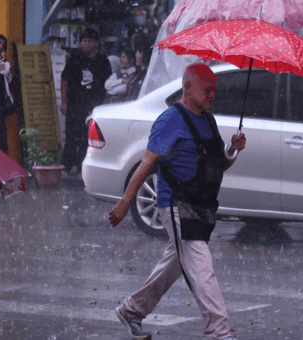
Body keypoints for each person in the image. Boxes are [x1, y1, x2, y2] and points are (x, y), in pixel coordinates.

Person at [108, 63, 246, 340]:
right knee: (202, 269)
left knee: (174, 264)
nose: (212, 95)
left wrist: (232, 149)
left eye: (214, 90)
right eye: (207, 90)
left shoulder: (208, 120)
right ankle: (219, 333)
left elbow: (218, 164)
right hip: (175, 204)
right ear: (187, 88)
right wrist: (125, 202)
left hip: (202, 206)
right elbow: (146, 164)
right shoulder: (170, 120)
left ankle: (131, 310)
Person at [60, 28, 112, 175]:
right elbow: (65, 80)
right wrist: (64, 102)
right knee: (71, 135)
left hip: (94, 105)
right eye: (84, 41)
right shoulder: (74, 59)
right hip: (75, 103)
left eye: (89, 41)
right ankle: (67, 166)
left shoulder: (102, 61)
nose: (86, 44)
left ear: (96, 43)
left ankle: (84, 166)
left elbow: (109, 83)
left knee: (88, 137)